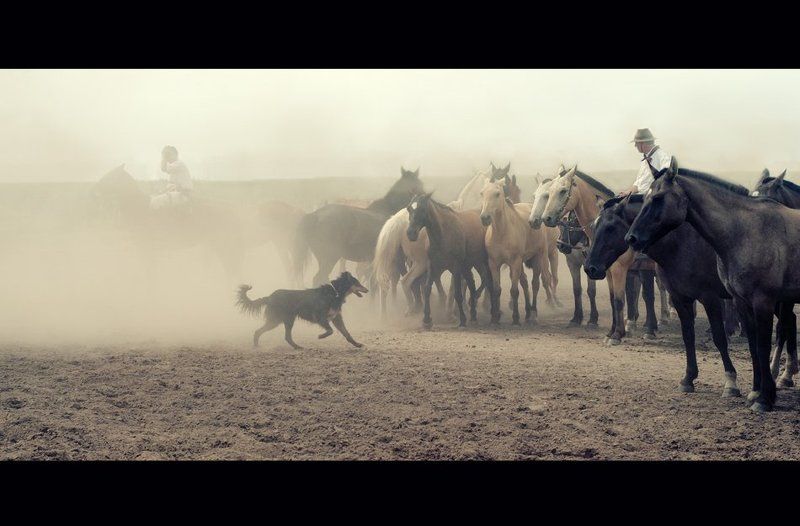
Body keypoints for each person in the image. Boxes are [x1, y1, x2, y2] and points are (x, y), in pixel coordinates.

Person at [618, 128, 671, 197]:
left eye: (636, 143)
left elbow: (667, 181)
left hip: (653, 199)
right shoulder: (645, 161)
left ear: (643, 143)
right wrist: (627, 192)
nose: (635, 146)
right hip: (641, 197)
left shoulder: (663, 157)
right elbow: (638, 184)